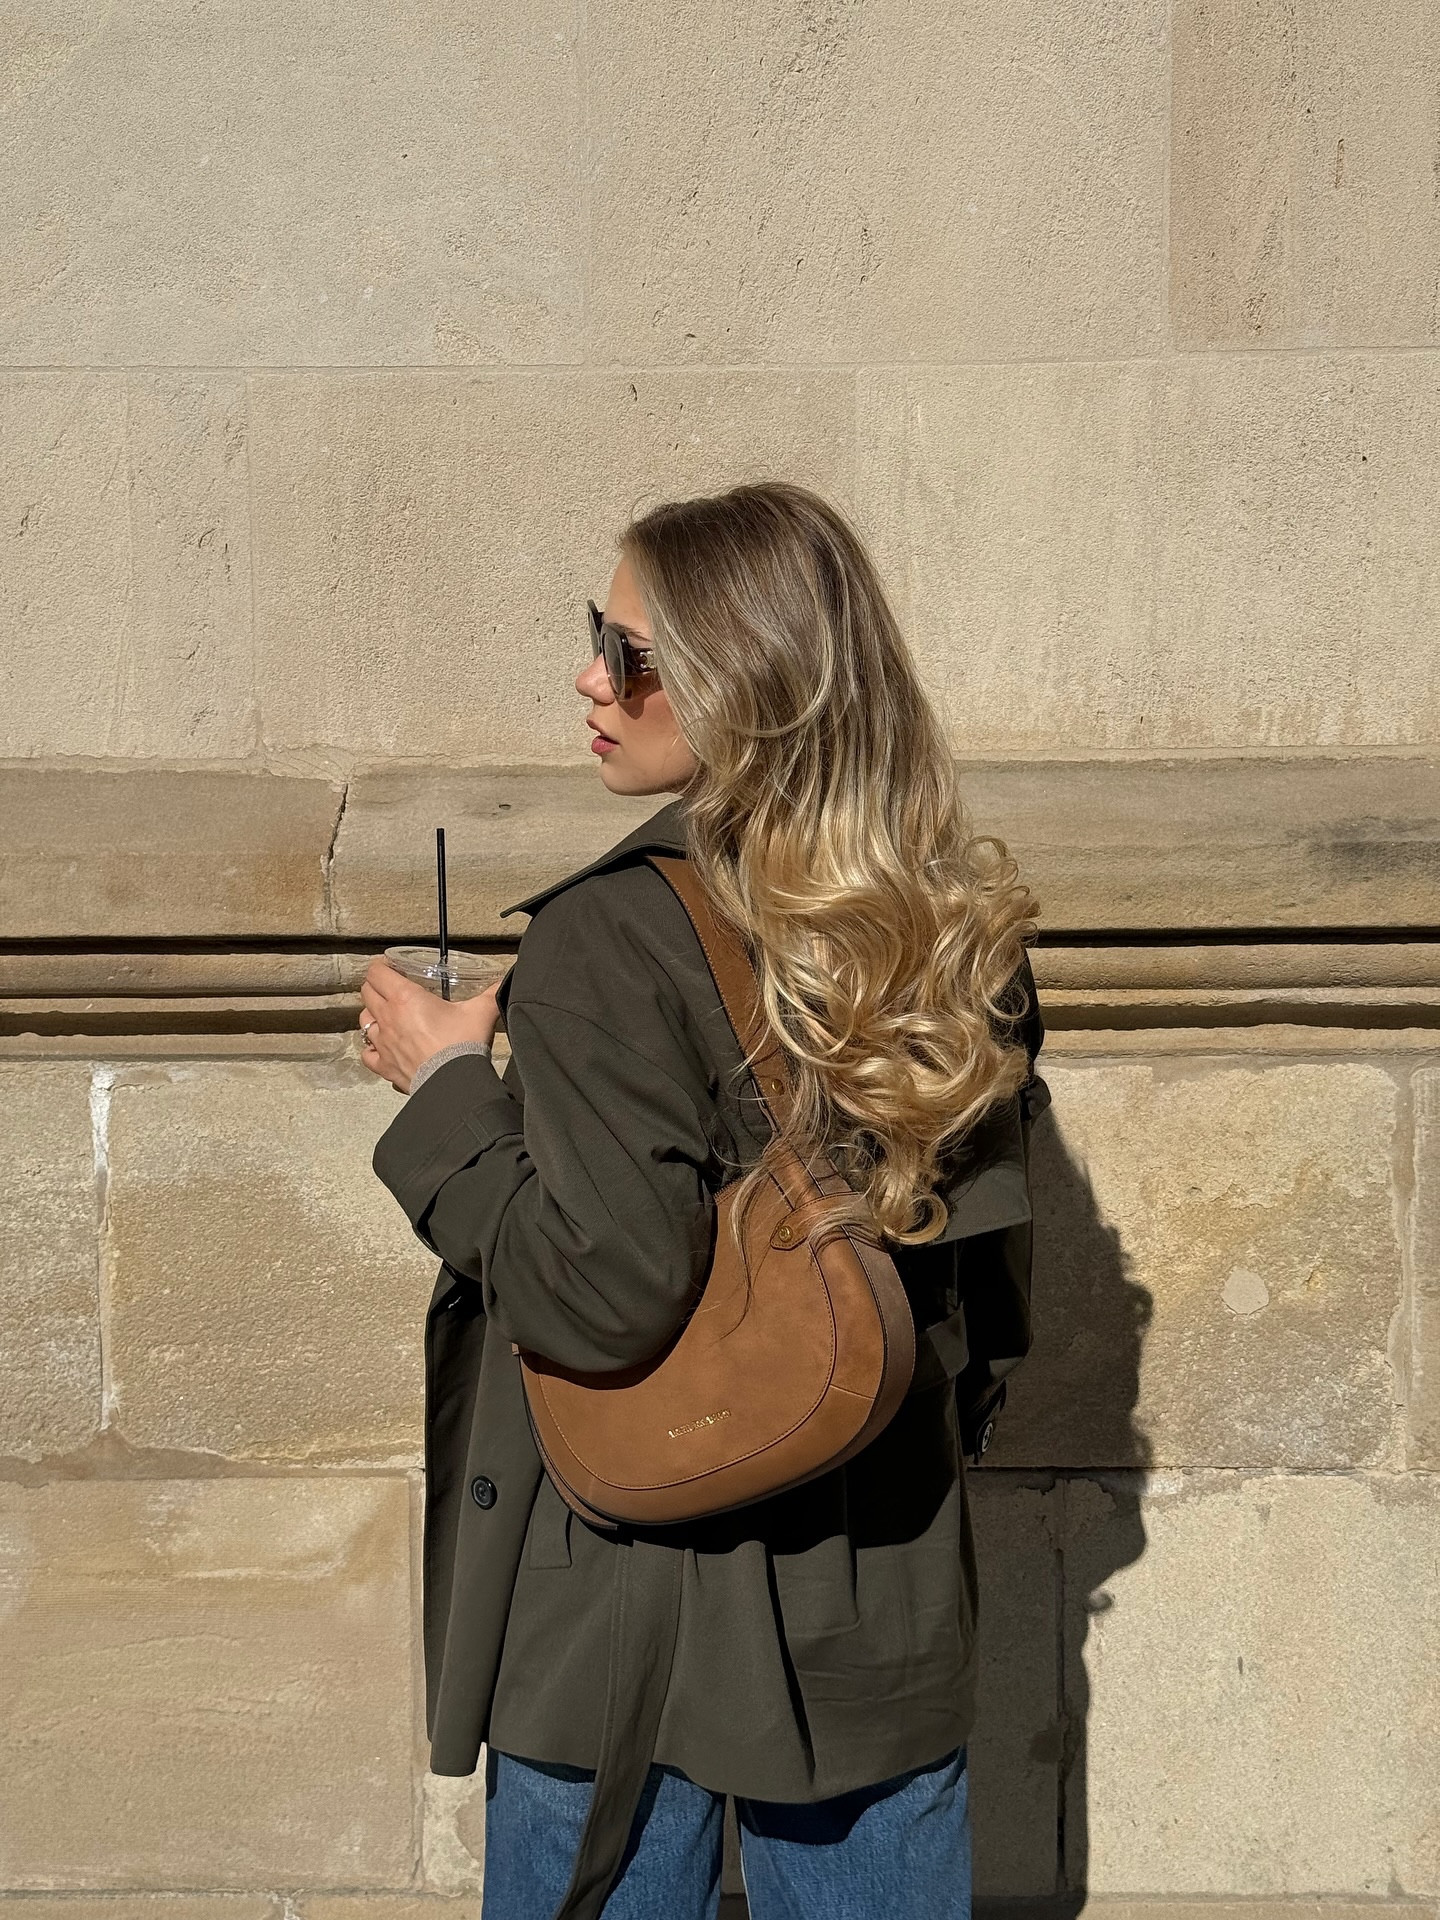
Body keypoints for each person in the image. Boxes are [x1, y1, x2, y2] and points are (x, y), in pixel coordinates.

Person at [359, 480, 1047, 1920]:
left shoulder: (611, 939)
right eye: (593, 636)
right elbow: (987, 1296)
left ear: (747, 689)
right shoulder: (951, 925)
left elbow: (598, 1295)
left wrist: (447, 1094)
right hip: (879, 1579)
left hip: (624, 1592)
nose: (589, 679)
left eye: (632, 655)